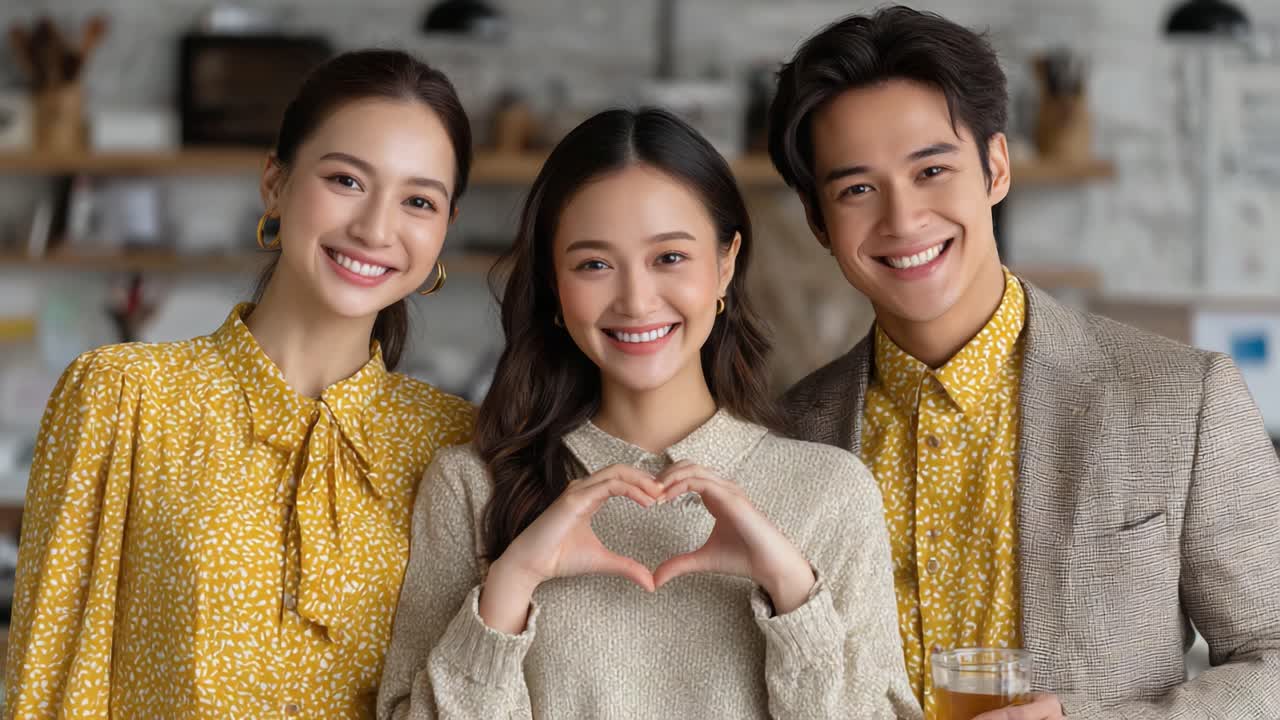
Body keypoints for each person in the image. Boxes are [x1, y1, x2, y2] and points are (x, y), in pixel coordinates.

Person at [768, 6, 1280, 720]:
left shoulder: (1183, 399)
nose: (903, 218)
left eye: (933, 170)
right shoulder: (785, 439)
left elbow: (1272, 651)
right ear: (819, 221)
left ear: (996, 167)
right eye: (857, 188)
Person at [377, 107, 921, 719]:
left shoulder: (830, 490)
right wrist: (510, 586)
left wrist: (796, 597)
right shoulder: (470, 487)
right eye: (594, 264)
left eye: (669, 258)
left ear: (725, 265)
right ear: (555, 286)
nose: (636, 300)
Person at [6, 50, 477, 719]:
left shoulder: (456, 443)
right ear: (275, 183)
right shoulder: (123, 397)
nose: (376, 228)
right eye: (346, 180)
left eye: (418, 200)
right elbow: (49, 685)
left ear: (443, 232)